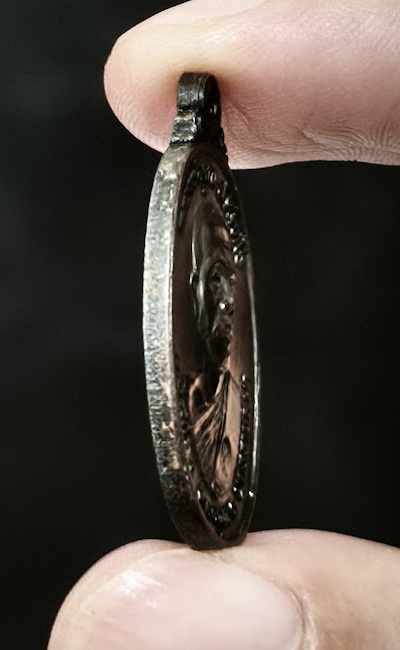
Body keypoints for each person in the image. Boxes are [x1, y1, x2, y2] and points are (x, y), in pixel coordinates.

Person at [48, 1, 400, 648]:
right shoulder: (208, 419)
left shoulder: (220, 420)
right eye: (215, 291)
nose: (228, 305)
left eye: (223, 287)